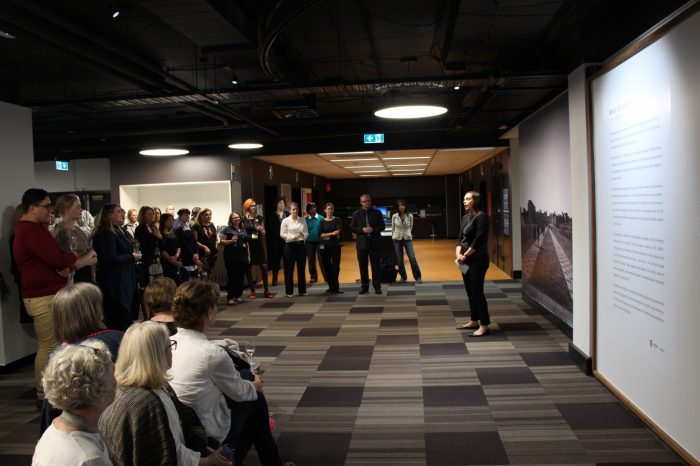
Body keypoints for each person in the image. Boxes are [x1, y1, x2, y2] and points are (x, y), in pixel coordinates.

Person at [169, 280, 282, 466]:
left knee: (248, 386)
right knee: (256, 398)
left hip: (179, 427)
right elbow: (239, 393)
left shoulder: (168, 343)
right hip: (204, 431)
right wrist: (256, 385)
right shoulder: (212, 353)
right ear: (208, 312)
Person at [99, 322, 232, 466]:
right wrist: (207, 461)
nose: (172, 351)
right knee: (228, 454)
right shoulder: (148, 402)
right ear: (157, 355)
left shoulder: (125, 388)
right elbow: (170, 454)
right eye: (169, 346)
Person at [13, 188, 97, 402]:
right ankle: (44, 393)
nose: (50, 210)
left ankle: (51, 389)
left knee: (55, 343)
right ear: (32, 208)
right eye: (46, 206)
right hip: (42, 295)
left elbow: (59, 258)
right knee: (49, 345)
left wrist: (67, 259)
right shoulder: (30, 230)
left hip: (49, 292)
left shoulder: (35, 229)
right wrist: (72, 257)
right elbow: (57, 259)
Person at [41, 282, 124, 434]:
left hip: (69, 431)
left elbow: (50, 410)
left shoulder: (56, 356)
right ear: (97, 312)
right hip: (116, 425)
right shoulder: (118, 341)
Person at [32, 340, 116, 466]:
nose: (117, 381)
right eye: (113, 374)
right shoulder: (88, 458)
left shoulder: (52, 431)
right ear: (100, 387)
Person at [92, 204, 141, 332]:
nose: (122, 214)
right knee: (118, 319)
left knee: (127, 317)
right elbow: (109, 258)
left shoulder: (120, 230)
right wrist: (131, 257)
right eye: (118, 212)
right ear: (109, 215)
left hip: (125, 278)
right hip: (115, 283)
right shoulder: (105, 233)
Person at [455, 191, 491, 337]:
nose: (464, 201)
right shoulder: (465, 217)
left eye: (468, 199)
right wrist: (458, 253)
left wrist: (465, 254)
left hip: (478, 259)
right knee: (470, 292)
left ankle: (484, 324)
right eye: (464, 199)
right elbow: (460, 238)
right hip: (465, 260)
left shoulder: (481, 216)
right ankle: (474, 320)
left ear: (475, 201)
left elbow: (479, 239)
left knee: (477, 292)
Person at [53, 194, 93, 283]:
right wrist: (91, 254)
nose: (81, 210)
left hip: (85, 278)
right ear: (66, 209)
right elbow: (71, 264)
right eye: (77, 207)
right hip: (72, 282)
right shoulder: (61, 232)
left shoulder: (79, 230)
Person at [350, 193, 385, 294]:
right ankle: (364, 286)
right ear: (361, 203)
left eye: (368, 201)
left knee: (376, 267)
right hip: (362, 245)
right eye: (364, 201)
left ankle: (377, 286)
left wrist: (373, 229)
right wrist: (362, 229)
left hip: (375, 244)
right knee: (363, 266)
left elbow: (382, 226)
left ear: (371, 201)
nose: (367, 203)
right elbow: (352, 227)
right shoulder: (356, 214)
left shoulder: (377, 213)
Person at [242, 199, 272, 298]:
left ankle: (266, 290)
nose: (254, 207)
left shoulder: (259, 218)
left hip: (258, 244)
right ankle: (252, 290)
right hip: (248, 244)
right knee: (248, 267)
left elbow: (264, 232)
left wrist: (261, 229)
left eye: (255, 205)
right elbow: (241, 231)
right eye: (252, 206)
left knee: (263, 266)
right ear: (247, 207)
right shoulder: (243, 219)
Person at [220, 212, 249, 305]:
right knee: (232, 277)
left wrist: (248, 255)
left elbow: (246, 243)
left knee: (240, 277)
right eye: (234, 218)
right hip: (231, 257)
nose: (236, 219)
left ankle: (238, 296)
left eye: (237, 217)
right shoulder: (227, 229)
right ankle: (230, 297)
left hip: (242, 256)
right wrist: (231, 241)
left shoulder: (243, 228)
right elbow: (222, 241)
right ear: (231, 220)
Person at [280, 202, 308, 298]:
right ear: (289, 210)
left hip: (300, 246)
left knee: (301, 269)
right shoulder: (285, 221)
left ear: (298, 210)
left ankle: (302, 291)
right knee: (289, 270)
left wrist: (302, 235)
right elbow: (282, 234)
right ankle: (289, 291)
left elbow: (306, 233)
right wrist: (294, 236)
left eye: (296, 209)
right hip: (289, 246)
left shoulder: (302, 220)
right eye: (293, 209)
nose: (294, 211)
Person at [391, 199, 423, 283]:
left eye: (403, 205)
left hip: (407, 239)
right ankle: (403, 277)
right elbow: (393, 228)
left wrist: (407, 234)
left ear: (405, 206)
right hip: (397, 239)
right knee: (399, 260)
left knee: (412, 258)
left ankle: (418, 277)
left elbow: (410, 227)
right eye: (399, 205)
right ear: (397, 207)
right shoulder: (394, 216)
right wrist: (393, 237)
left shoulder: (410, 216)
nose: (401, 207)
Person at [134, 206, 162, 291]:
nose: (152, 216)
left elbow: (160, 240)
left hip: (156, 259)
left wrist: (159, 237)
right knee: (147, 285)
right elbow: (143, 243)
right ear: (143, 216)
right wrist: (155, 236)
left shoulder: (153, 227)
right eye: (149, 214)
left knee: (158, 285)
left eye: (152, 214)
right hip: (146, 261)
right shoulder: (140, 228)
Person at [318, 203, 343, 294]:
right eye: (328, 209)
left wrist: (327, 235)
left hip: (335, 246)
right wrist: (331, 234)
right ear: (325, 210)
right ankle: (330, 287)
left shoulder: (337, 220)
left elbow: (337, 232)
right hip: (324, 247)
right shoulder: (322, 222)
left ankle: (336, 287)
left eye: (331, 209)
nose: (330, 211)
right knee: (326, 267)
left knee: (336, 267)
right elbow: (319, 235)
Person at [174, 208, 203, 282]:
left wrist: (196, 253)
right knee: (186, 281)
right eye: (185, 215)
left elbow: (194, 242)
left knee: (195, 280)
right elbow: (183, 245)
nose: (187, 216)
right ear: (180, 217)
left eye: (188, 215)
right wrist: (193, 255)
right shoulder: (178, 230)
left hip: (194, 258)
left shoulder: (190, 229)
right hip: (185, 258)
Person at [266, 197, 288, 286]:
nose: (282, 205)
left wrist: (286, 236)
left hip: (287, 241)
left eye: (283, 203)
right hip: (276, 241)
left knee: (287, 261)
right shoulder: (272, 215)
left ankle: (288, 279)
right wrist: (280, 236)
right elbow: (271, 229)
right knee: (276, 261)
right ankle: (274, 279)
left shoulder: (287, 214)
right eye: (280, 203)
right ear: (276, 205)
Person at [192, 208, 218, 278]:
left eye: (210, 214)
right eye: (206, 215)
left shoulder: (212, 225)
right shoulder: (196, 226)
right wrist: (204, 247)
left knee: (209, 275)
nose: (209, 216)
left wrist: (216, 244)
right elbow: (194, 241)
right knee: (203, 275)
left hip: (213, 254)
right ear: (201, 215)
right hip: (202, 254)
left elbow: (215, 237)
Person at [304, 203, 326, 284]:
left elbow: (325, 229)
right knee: (311, 260)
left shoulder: (321, 218)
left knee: (322, 259)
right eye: (310, 208)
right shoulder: (305, 220)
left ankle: (326, 276)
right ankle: (313, 277)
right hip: (309, 242)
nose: (312, 209)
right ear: (308, 210)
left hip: (320, 242)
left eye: (313, 207)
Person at [159, 213, 184, 284]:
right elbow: (162, 249)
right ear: (164, 221)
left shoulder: (173, 233)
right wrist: (172, 260)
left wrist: (176, 256)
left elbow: (179, 246)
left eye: (172, 220)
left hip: (176, 260)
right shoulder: (160, 234)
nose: (172, 222)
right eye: (169, 220)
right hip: (167, 263)